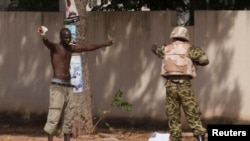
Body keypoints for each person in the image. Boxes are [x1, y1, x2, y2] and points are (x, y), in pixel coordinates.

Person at [37, 26, 114, 141]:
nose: (68, 40)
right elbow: (47, 42)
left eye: (69, 37)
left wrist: (104, 44)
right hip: (57, 87)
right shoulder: (56, 48)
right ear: (61, 37)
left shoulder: (71, 49)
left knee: (69, 117)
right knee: (54, 115)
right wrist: (43, 35)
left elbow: (87, 47)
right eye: (66, 38)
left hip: (68, 87)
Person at [151, 26, 209, 141]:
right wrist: (195, 61)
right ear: (185, 36)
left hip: (170, 86)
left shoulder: (166, 48)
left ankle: (176, 138)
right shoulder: (191, 49)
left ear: (173, 35)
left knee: (173, 114)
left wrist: (155, 47)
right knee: (192, 113)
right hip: (184, 85)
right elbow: (204, 60)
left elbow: (155, 50)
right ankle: (200, 137)